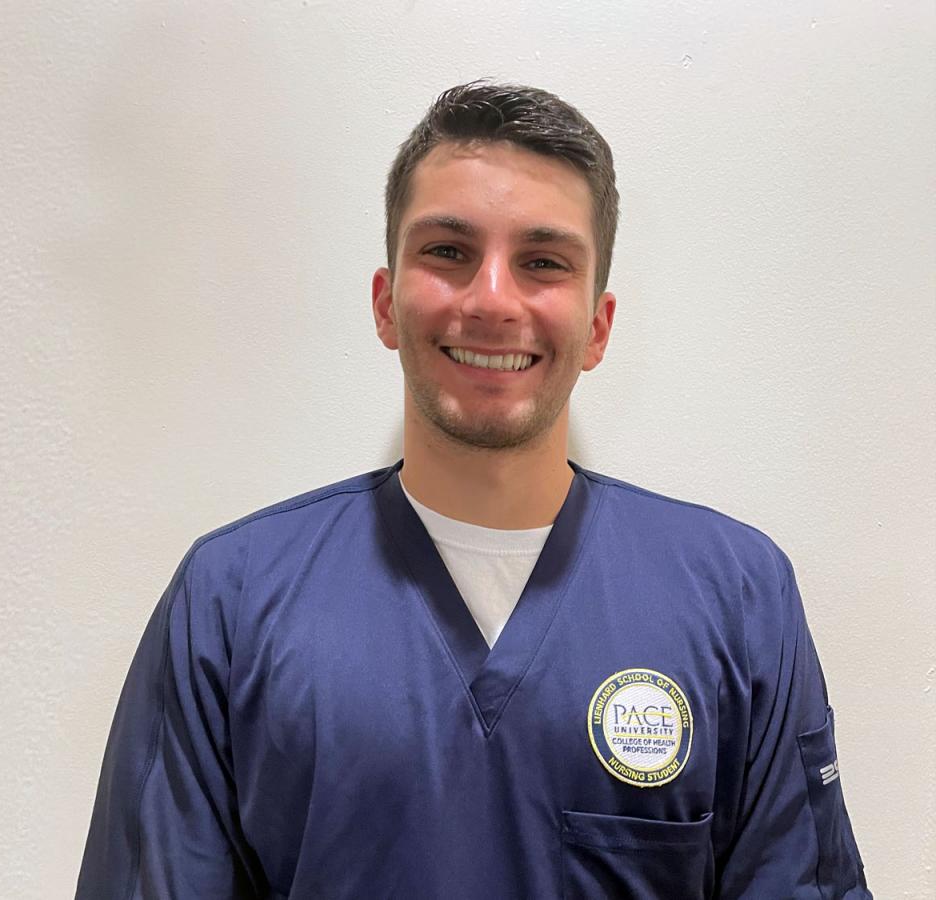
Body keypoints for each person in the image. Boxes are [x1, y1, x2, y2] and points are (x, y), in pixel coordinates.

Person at [75, 81, 871, 898]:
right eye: (449, 252)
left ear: (597, 326)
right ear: (386, 304)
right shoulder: (232, 602)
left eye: (543, 262)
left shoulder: (736, 597)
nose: (493, 299)